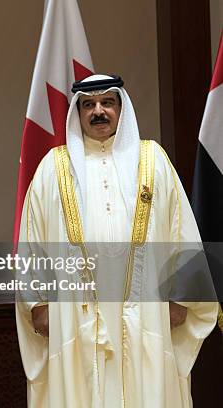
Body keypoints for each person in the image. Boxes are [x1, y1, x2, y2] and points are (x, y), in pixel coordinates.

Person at [15, 74, 218, 407]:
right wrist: (37, 303)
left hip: (148, 311)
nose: (98, 111)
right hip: (73, 314)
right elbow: (32, 240)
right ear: (77, 113)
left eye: (107, 102)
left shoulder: (153, 160)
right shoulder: (53, 168)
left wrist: (183, 296)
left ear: (121, 108)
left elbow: (181, 229)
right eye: (88, 105)